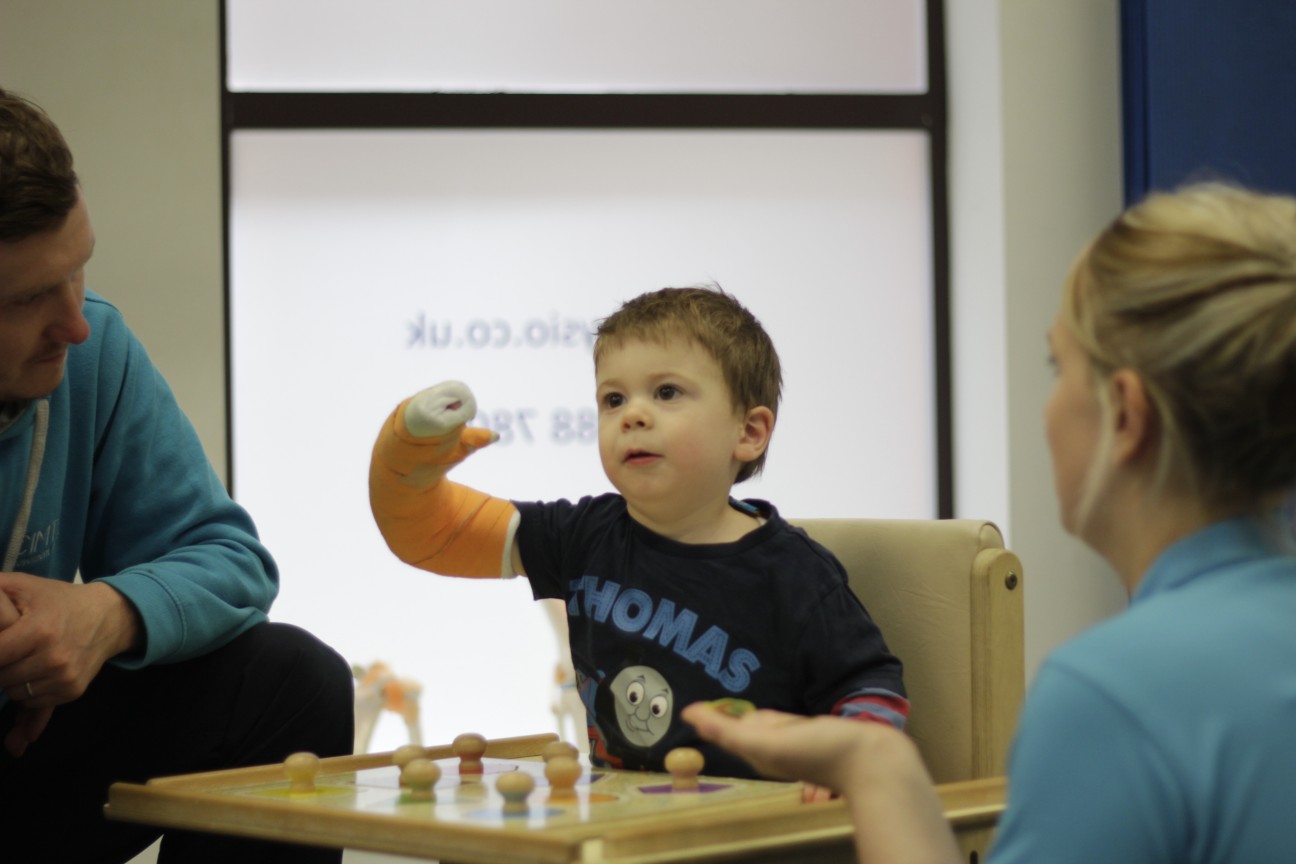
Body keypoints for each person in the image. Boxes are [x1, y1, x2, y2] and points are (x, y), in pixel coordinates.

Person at [683, 182, 1296, 863]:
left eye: (1058, 366)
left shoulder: (1115, 694)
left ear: (1125, 414)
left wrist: (871, 767)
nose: (1047, 408)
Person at [0, 88, 355, 863]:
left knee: (292, 680)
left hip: (23, 751)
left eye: (78, 269)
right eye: (29, 298)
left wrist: (103, 615)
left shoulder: (93, 354)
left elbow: (230, 562)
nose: (75, 321)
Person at [369, 285, 907, 782]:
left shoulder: (796, 574)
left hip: (750, 836)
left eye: (667, 392)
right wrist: (407, 455)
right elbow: (427, 533)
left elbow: (870, 690)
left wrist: (846, 770)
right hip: (621, 830)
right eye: (613, 400)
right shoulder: (579, 534)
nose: (633, 416)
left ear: (748, 432)